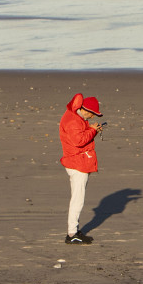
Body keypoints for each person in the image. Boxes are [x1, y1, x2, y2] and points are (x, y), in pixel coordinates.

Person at [59, 93, 104, 244]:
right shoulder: (73, 120)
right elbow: (79, 140)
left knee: (77, 198)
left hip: (77, 161)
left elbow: (79, 136)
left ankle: (73, 231)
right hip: (77, 163)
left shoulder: (74, 116)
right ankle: (72, 234)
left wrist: (91, 129)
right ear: (85, 110)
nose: (92, 118)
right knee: (77, 200)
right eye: (93, 114)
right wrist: (93, 131)